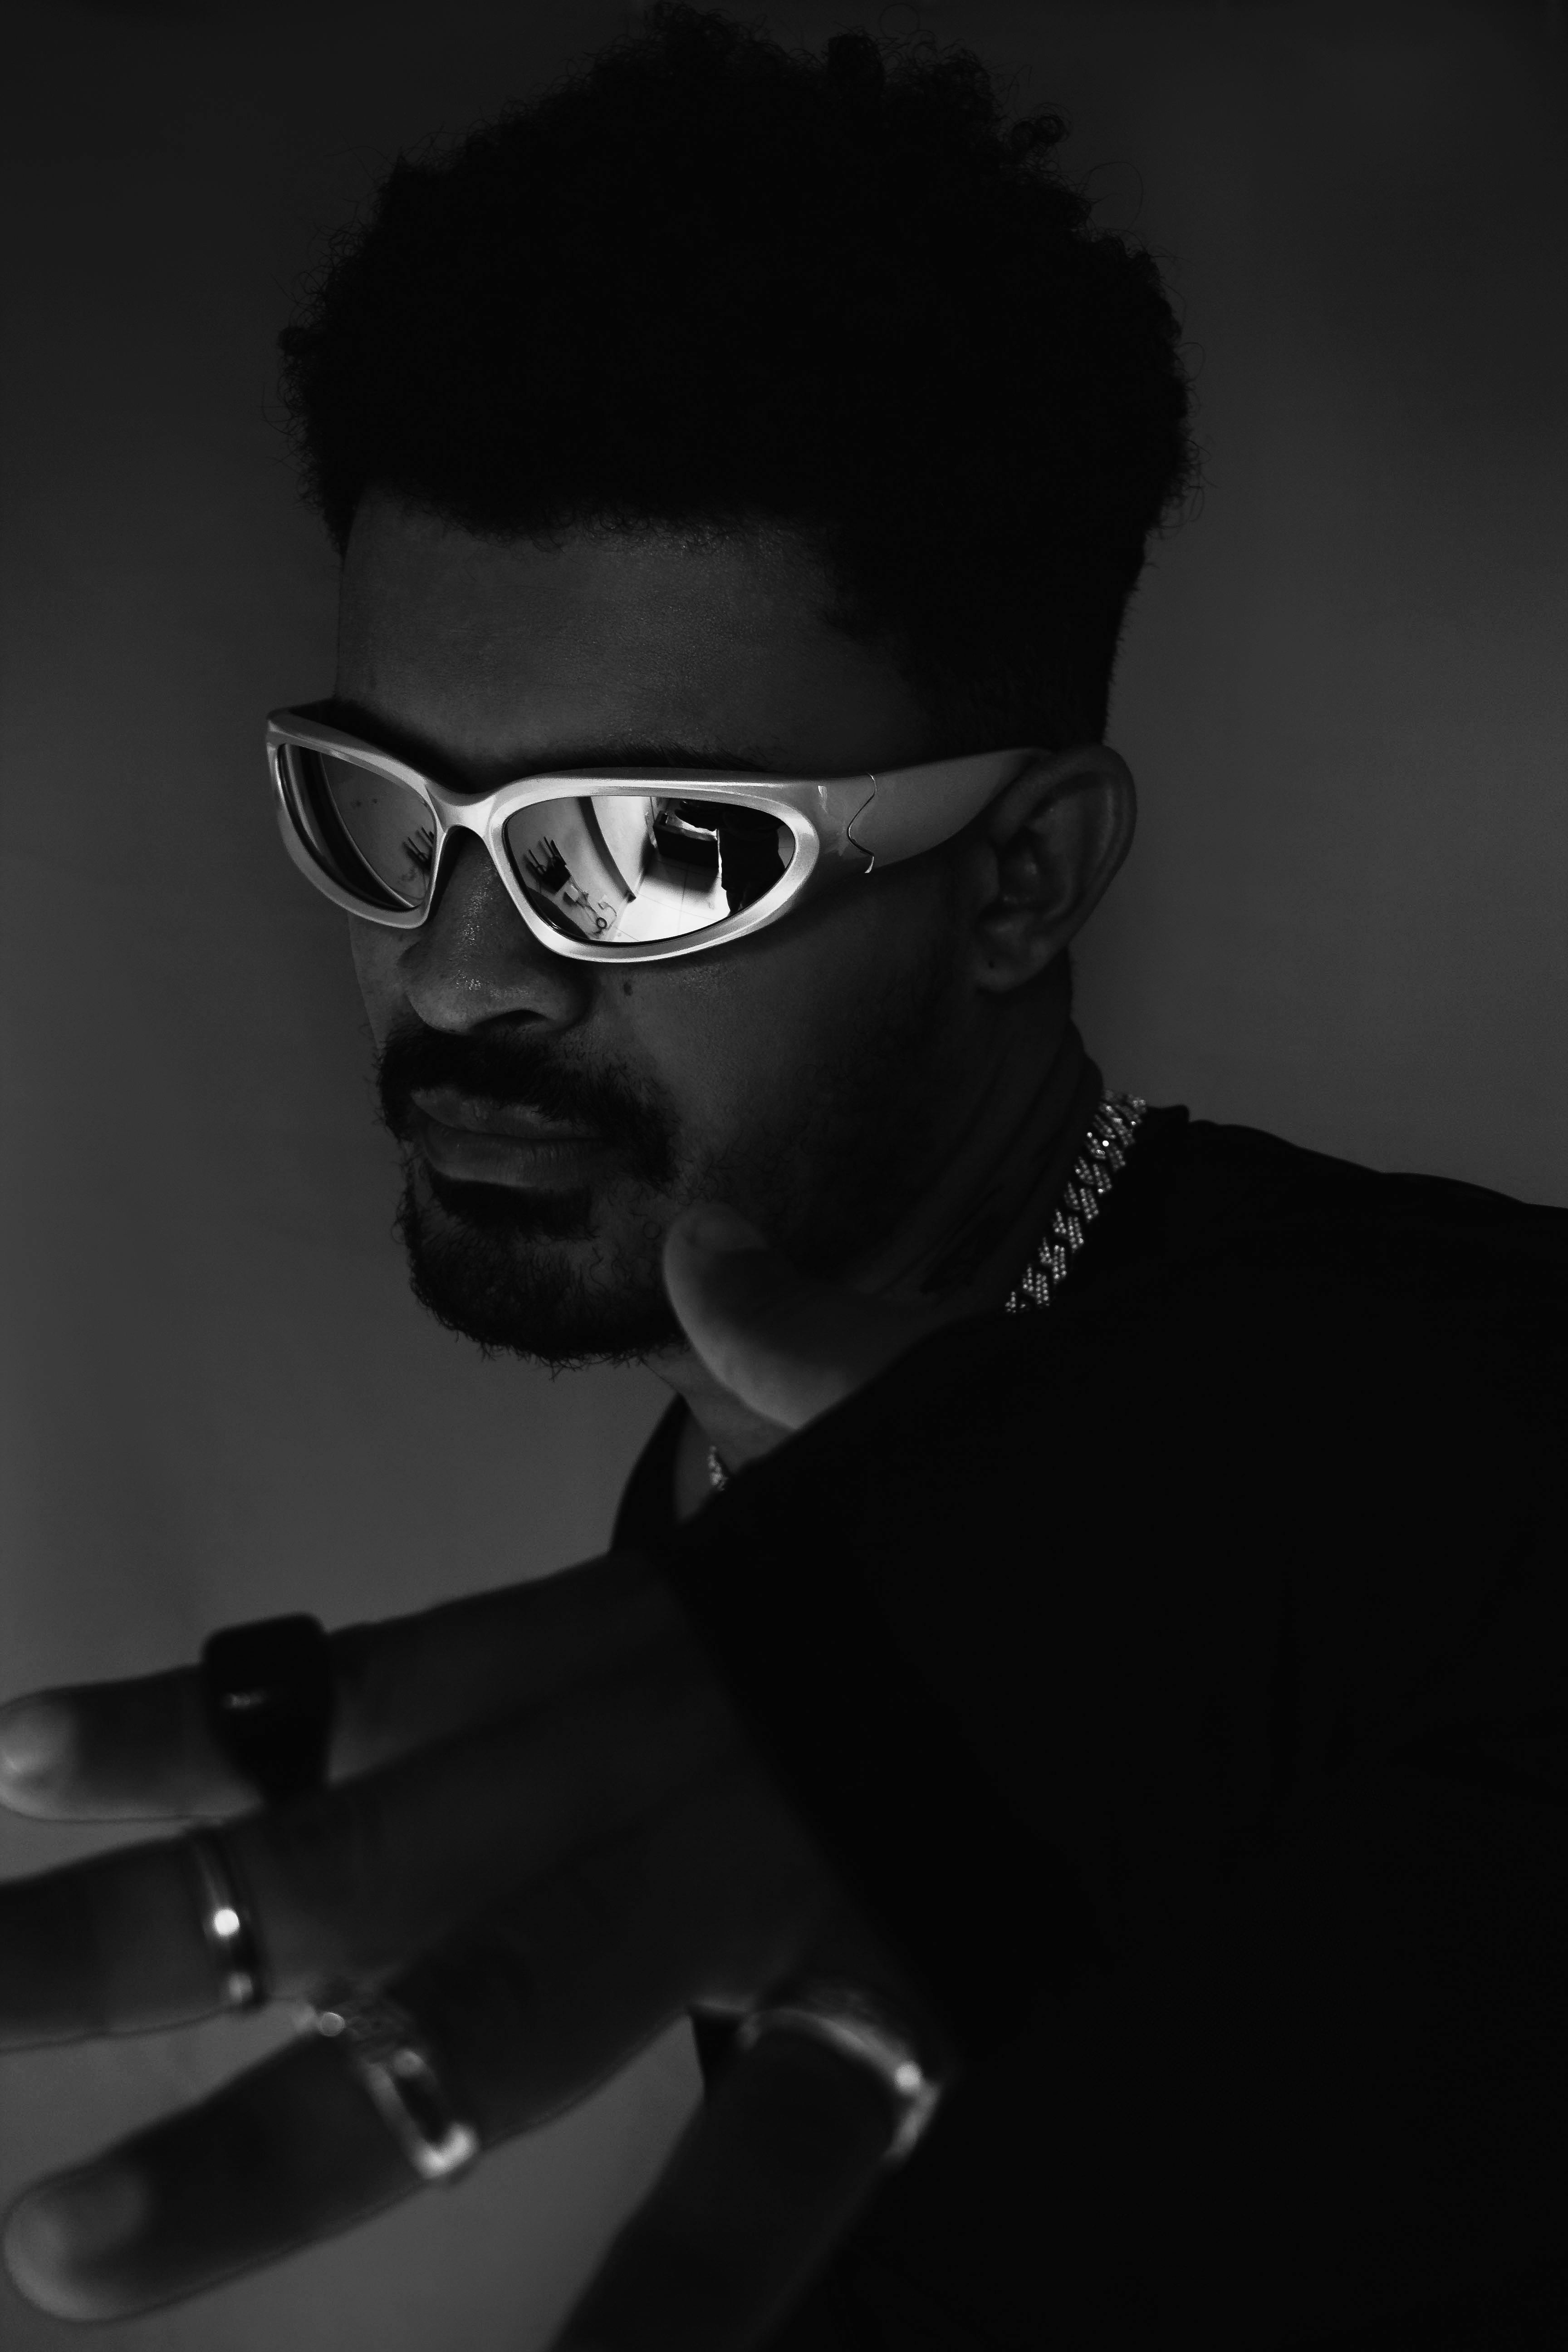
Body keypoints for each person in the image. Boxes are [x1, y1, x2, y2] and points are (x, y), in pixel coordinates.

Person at [0, 6, 1563, 2347]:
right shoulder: (734, 1527)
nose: (457, 977)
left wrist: (1114, 1611)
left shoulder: (1413, 1432)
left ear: (1021, 878)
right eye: (391, 814)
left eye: (648, 851)